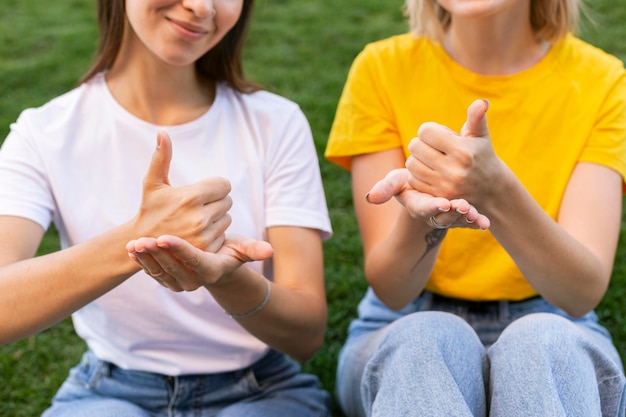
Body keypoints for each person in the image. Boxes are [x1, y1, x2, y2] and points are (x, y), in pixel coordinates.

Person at [0, 0, 333, 415]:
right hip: (109, 393)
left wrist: (223, 277)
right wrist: (139, 234)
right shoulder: (43, 133)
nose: (200, 7)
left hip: (260, 390)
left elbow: (305, 335)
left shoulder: (276, 123)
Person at [324, 0, 626, 415]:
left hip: (553, 315)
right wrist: (423, 218)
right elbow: (393, 291)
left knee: (543, 341)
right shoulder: (380, 67)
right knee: (427, 339)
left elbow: (579, 295)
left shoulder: (603, 80)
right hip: (404, 320)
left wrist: (497, 190)